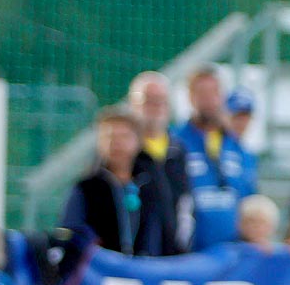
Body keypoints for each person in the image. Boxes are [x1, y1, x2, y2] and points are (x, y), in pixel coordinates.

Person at [59, 107, 179, 257]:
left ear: (138, 141)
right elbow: (71, 234)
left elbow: (164, 231)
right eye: (109, 137)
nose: (116, 143)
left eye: (124, 136)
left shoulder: (152, 185)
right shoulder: (86, 187)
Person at [173, 66, 255, 251]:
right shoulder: (175, 143)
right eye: (201, 93)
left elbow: (250, 200)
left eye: (214, 92)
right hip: (189, 255)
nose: (208, 99)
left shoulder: (238, 148)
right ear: (190, 97)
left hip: (233, 256)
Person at [127, 71, 192, 251]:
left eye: (161, 100)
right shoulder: (123, 150)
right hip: (133, 257)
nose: (155, 107)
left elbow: (185, 204)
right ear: (133, 103)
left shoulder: (178, 151)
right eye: (148, 100)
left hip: (172, 257)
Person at [224, 88, 260, 188]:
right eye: (236, 116)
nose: (241, 122)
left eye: (245, 117)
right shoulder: (215, 149)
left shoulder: (248, 155)